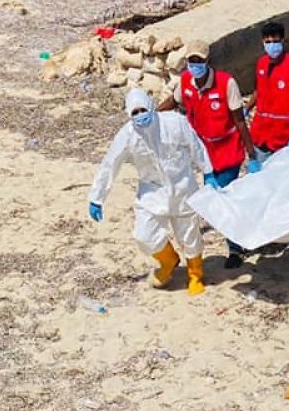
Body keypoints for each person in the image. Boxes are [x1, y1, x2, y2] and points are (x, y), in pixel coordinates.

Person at [88, 87, 216, 295]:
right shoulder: (127, 136)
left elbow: (196, 146)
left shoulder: (175, 123)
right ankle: (168, 261)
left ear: (151, 107)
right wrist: (97, 197)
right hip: (152, 192)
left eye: (143, 110)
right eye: (135, 113)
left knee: (190, 236)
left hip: (183, 187)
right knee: (144, 235)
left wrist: (207, 171)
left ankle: (195, 275)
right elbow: (110, 164)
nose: (140, 116)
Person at [175, 38, 262, 269]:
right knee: (215, 197)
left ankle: (235, 248)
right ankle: (236, 238)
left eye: (199, 61)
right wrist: (149, 115)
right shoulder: (185, 82)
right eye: (191, 61)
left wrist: (251, 154)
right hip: (203, 152)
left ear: (208, 61)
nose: (195, 65)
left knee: (225, 198)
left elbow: (240, 121)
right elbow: (175, 103)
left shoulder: (225, 84)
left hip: (227, 148)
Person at [246, 21, 289, 159]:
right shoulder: (261, 63)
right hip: (261, 134)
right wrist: (247, 108)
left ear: (283, 40)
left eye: (275, 41)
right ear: (262, 42)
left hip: (284, 137)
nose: (271, 45)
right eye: (268, 42)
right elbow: (258, 90)